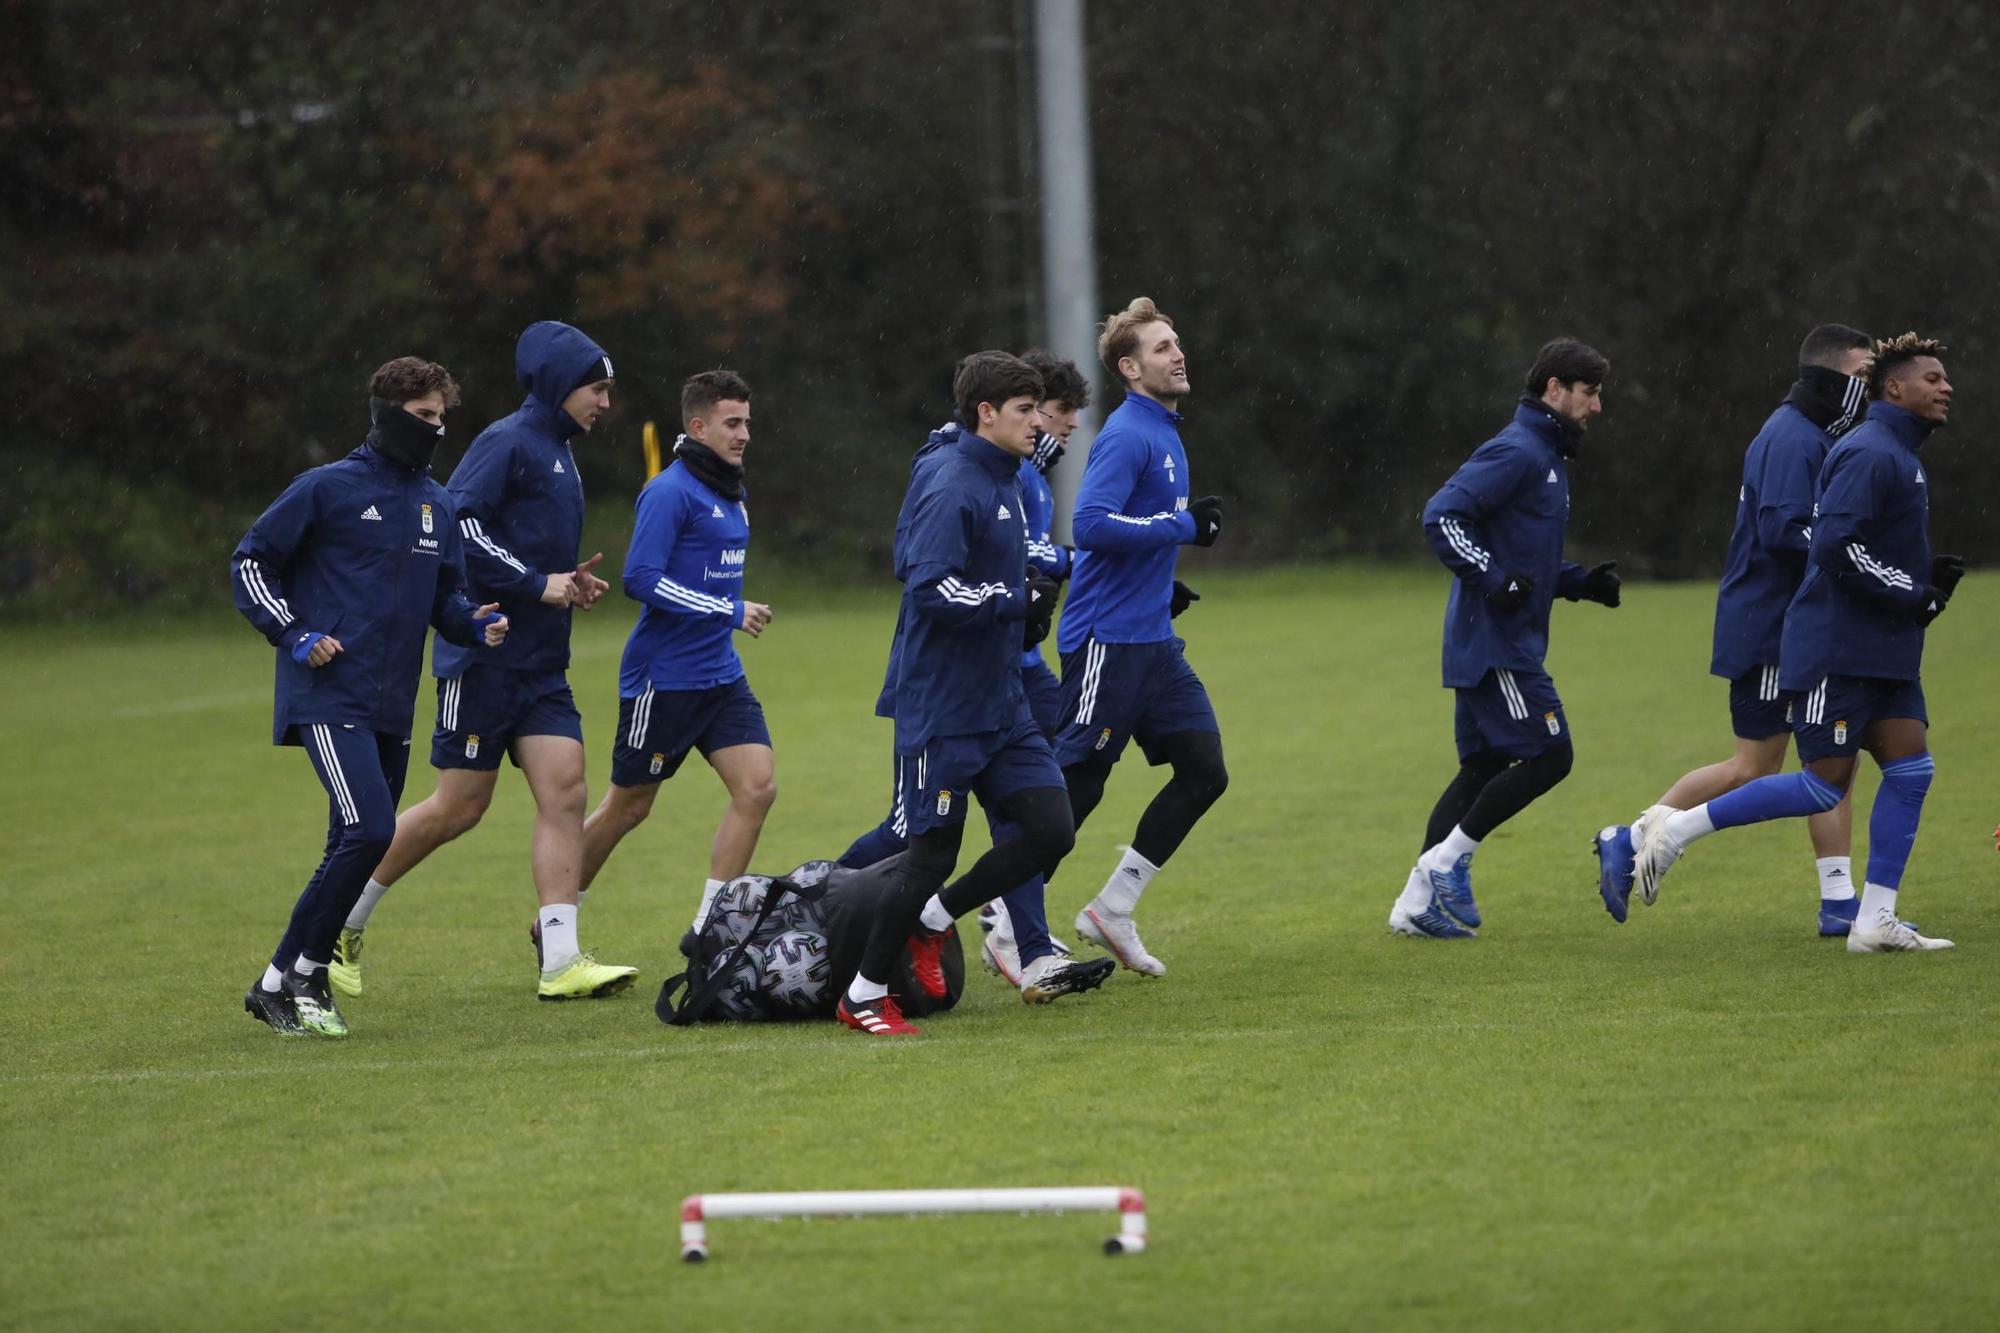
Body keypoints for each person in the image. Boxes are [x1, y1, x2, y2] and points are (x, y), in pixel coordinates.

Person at [1622, 334, 1961, 953]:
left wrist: (1920, 586)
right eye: (1932, 378)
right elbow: (1833, 547)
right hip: (1838, 649)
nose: (1946, 387)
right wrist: (1910, 591)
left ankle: (1872, 920)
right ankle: (1671, 832)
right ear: (1893, 388)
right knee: (1821, 784)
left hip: (1882, 647)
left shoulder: (1900, 452)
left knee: (1912, 771)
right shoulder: (1868, 451)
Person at [332, 321, 636, 1002]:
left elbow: (521, 550)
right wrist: (534, 583)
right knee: (458, 806)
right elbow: (459, 526)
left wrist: (565, 580)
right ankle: (340, 919)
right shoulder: (507, 443)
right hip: (485, 655)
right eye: (598, 388)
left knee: (566, 789)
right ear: (560, 385)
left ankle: (560, 958)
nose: (606, 403)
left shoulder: (559, 451)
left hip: (541, 664)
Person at [233, 357, 509, 1037]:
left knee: (347, 841)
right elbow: (250, 560)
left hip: (393, 699)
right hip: (329, 692)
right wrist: (295, 633)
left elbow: (445, 596)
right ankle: (297, 969)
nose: (436, 430)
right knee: (371, 830)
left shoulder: (437, 504)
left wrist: (473, 621)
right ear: (388, 413)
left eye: (442, 419)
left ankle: (281, 984)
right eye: (423, 418)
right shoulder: (326, 488)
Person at [837, 351, 1106, 1036]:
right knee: (929, 851)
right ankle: (863, 992)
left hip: (1003, 696)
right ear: (986, 413)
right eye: (1024, 412)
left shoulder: (1011, 476)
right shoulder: (954, 478)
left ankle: (934, 917)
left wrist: (1041, 588)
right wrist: (1013, 600)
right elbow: (928, 584)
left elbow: (1016, 560)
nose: (1038, 425)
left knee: (1050, 826)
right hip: (946, 704)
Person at [1593, 325, 1871, 931]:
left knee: (1832, 761)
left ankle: (1838, 903)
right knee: (1755, 767)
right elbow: (1782, 532)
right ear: (1829, 376)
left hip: (1797, 625)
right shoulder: (1791, 437)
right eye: (1863, 376)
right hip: (1774, 628)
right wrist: (1856, 560)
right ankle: (1633, 834)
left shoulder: (1813, 434)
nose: (1868, 391)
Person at [1389, 338, 1623, 938]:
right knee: (1550, 754)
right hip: (1497, 645)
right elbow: (1442, 515)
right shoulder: (1518, 450)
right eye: (1589, 393)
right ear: (1554, 390)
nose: (1596, 407)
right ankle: (1445, 864)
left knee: (1483, 767)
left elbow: (1525, 557)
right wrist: (1495, 582)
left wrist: (1577, 583)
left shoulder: (1545, 455)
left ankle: (1413, 906)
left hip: (1490, 638)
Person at [1043, 297, 1227, 976]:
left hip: (1151, 639)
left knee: (1205, 769)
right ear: (1130, 366)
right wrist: (1180, 530)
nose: (1177, 354)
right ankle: (1010, 910)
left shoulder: (1166, 430)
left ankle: (1111, 908)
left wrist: (1161, 578)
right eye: (1160, 348)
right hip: (1107, 639)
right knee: (1076, 783)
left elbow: (1132, 531)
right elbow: (1090, 525)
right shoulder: (1127, 433)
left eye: (1176, 343)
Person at [574, 370, 777, 935]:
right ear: (698, 425)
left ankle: (709, 927)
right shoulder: (668, 492)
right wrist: (729, 611)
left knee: (758, 787)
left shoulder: (731, 490)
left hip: (721, 677)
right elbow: (641, 579)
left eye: (747, 424)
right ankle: (559, 917)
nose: (743, 435)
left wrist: (725, 612)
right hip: (663, 680)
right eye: (732, 424)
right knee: (629, 808)